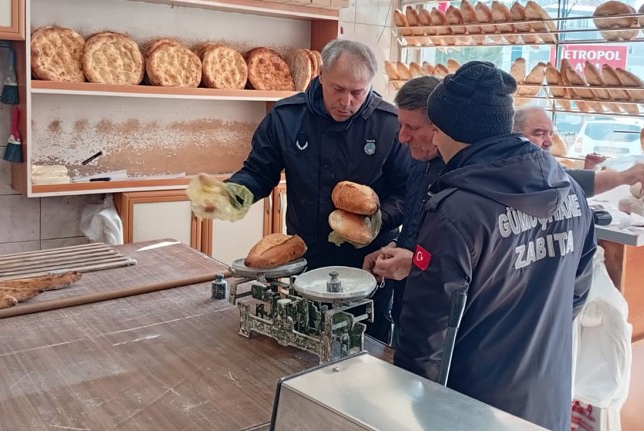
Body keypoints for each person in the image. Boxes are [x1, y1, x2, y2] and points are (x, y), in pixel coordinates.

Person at [393, 61, 596, 431]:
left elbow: (427, 333)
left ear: (452, 131)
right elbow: (576, 295)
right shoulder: (572, 192)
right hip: (546, 397)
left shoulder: (456, 210)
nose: (433, 140)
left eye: (435, 129)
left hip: (473, 406)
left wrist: (412, 406)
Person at [190, 39, 412, 342]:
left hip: (369, 261)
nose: (347, 101)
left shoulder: (389, 125)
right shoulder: (287, 117)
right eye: (338, 89)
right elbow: (258, 171)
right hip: (305, 254)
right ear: (321, 75)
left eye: (357, 92)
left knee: (366, 344)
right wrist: (233, 194)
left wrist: (377, 220)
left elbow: (406, 193)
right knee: (302, 338)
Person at [362, 76, 441, 345]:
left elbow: (468, 264)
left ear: (440, 127)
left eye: (412, 127)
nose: (401, 137)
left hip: (438, 325)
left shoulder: (463, 177)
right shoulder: (419, 160)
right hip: (407, 309)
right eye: (400, 125)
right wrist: (396, 245)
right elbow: (417, 224)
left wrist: (415, 262)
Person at [514, 106, 644, 197]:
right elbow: (565, 181)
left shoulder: (542, 163)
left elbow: (565, 178)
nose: (549, 142)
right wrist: (623, 177)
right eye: (539, 134)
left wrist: (589, 170)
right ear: (513, 135)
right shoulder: (515, 168)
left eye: (550, 134)